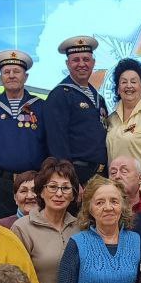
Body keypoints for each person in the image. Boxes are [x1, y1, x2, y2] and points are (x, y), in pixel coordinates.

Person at [0, 49, 48, 221]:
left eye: (16, 71)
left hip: (33, 182)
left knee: (36, 227)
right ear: (0, 78)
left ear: (26, 77)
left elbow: (49, 145)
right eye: (6, 72)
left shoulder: (41, 107)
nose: (11, 75)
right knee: (0, 229)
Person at [10, 159, 82, 283]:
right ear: (41, 192)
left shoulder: (81, 227)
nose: (59, 193)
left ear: (74, 195)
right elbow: (15, 278)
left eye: (66, 188)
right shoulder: (23, 228)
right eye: (53, 187)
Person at [45, 35, 108, 183]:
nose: (82, 64)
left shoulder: (99, 98)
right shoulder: (60, 95)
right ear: (67, 64)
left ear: (93, 63)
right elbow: (57, 142)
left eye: (86, 59)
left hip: (100, 174)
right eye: (76, 60)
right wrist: (69, 179)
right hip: (77, 174)